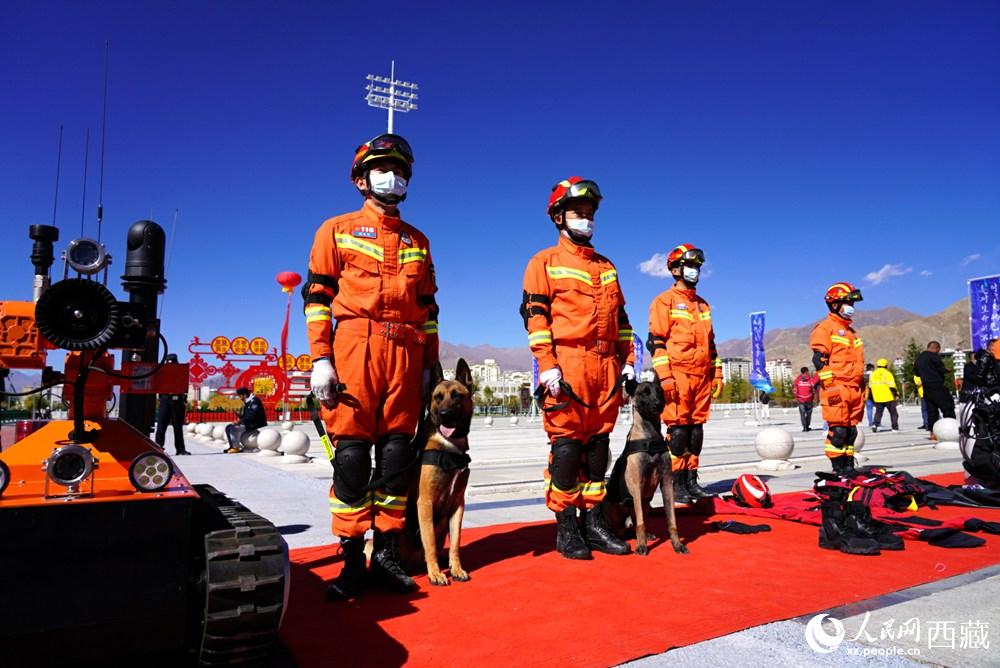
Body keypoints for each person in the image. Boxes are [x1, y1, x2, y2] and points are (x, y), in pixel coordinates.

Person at [305, 133, 439, 599]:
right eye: (382, 169)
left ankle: (385, 556)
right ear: (361, 180)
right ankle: (350, 561)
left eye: (400, 171)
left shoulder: (418, 241)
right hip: (354, 348)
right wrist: (321, 359)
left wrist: (430, 367)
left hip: (406, 352)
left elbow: (429, 310)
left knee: (398, 455)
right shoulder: (335, 229)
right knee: (352, 457)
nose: (392, 177)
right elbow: (318, 299)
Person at [522, 175, 634, 559]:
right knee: (567, 448)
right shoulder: (543, 263)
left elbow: (622, 320)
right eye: (577, 212)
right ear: (558, 217)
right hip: (567, 363)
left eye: (590, 213)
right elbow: (536, 318)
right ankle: (567, 528)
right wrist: (547, 366)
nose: (585, 219)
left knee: (598, 448)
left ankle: (594, 523)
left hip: (606, 366)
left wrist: (628, 363)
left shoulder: (607, 266)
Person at [648, 244, 724, 505]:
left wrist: (717, 373)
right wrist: (665, 377)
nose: (695, 271)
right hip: (678, 374)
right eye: (690, 266)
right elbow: (656, 341)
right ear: (675, 270)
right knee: (679, 431)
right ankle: (674, 483)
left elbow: (711, 344)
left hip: (701, 376)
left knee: (696, 431)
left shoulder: (703, 305)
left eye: (697, 267)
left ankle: (691, 481)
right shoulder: (664, 301)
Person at [810, 282, 865, 476]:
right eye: (848, 302)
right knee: (839, 432)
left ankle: (849, 467)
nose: (852, 307)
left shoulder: (851, 332)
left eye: (852, 303)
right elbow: (819, 359)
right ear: (835, 304)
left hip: (854, 389)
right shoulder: (825, 328)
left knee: (851, 432)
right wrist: (830, 385)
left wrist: (862, 385)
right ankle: (838, 468)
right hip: (837, 387)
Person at [915, 340, 956, 437]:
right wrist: (947, 370)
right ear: (936, 348)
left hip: (926, 386)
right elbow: (940, 369)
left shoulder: (919, 358)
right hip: (937, 385)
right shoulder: (934, 356)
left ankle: (933, 433)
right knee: (947, 406)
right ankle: (952, 429)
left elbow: (917, 373)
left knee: (931, 410)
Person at [153, 354, 189, 455]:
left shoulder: (181, 370)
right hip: (165, 399)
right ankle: (158, 447)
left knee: (177, 427)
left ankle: (180, 449)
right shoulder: (162, 370)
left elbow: (183, 385)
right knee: (161, 425)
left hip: (177, 400)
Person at [225, 387, 267, 453]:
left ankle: (235, 447)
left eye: (240, 396)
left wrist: (240, 421)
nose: (240, 398)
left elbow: (253, 416)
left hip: (255, 423)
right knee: (228, 427)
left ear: (244, 395)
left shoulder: (254, 401)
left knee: (233, 428)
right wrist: (239, 414)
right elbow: (246, 415)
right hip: (249, 422)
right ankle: (232, 446)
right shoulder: (248, 401)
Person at [869, 358, 900, 432]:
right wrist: (896, 395)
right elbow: (892, 386)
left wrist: (871, 398)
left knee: (878, 413)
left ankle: (875, 424)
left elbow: (870, 387)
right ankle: (894, 427)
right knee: (893, 413)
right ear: (886, 365)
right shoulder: (888, 374)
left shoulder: (873, 374)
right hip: (888, 396)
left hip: (877, 397)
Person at [793, 366, 818, 432]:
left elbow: (795, 390)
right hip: (809, 399)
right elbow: (814, 388)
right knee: (809, 414)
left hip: (801, 400)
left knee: (802, 414)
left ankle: (804, 427)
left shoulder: (797, 380)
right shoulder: (810, 379)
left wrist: (796, 397)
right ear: (806, 371)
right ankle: (807, 426)